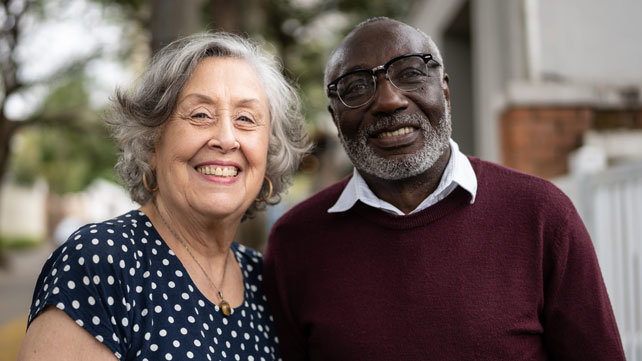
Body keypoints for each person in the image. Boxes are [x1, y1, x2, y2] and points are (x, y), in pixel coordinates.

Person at [263, 17, 626, 360]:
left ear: (445, 90)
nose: (390, 101)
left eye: (409, 73)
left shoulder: (542, 214)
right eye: (357, 87)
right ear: (335, 117)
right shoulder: (295, 242)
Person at [18, 32, 309, 361]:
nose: (227, 139)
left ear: (268, 154)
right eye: (200, 114)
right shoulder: (102, 263)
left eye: (245, 119)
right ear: (152, 143)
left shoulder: (266, 280)